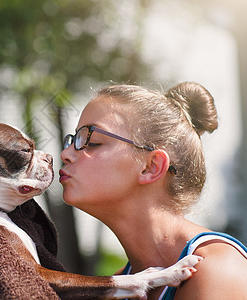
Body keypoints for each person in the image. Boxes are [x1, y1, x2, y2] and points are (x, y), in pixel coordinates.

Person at [60, 82, 247, 298]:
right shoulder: (123, 283)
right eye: (73, 140)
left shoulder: (215, 270)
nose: (66, 153)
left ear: (152, 166)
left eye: (91, 141)